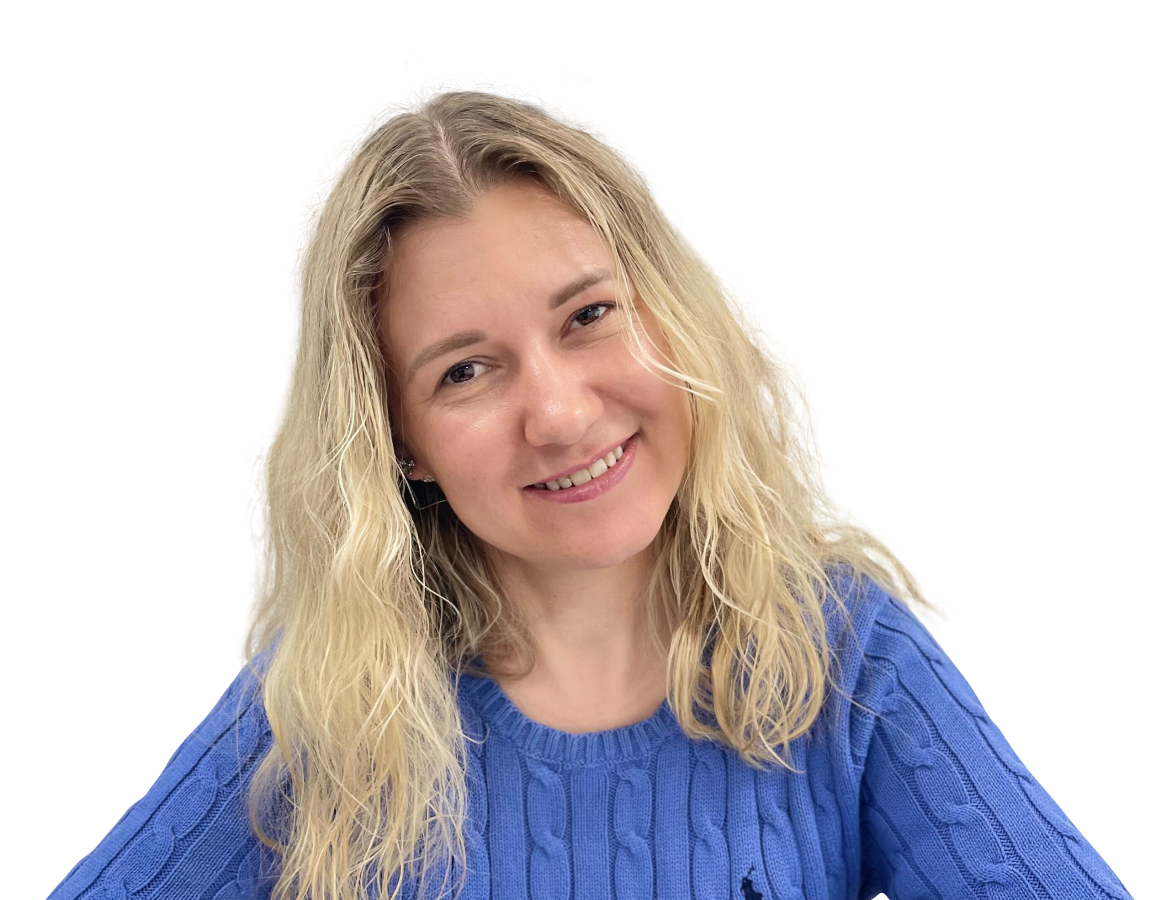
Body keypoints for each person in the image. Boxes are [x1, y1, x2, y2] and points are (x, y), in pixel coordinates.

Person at [48, 73, 1132, 900]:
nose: (560, 414)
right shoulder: (323, 706)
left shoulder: (849, 659)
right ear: (398, 439)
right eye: (464, 371)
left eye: (589, 316)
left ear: (670, 313)